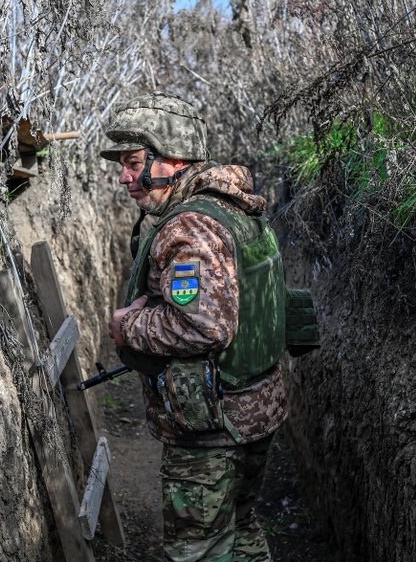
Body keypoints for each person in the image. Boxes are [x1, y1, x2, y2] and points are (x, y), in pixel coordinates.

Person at [101, 91, 288, 562]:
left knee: (198, 551)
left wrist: (130, 326)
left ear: (173, 158)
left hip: (213, 432)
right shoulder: (236, 208)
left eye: (133, 162)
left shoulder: (190, 228)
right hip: (254, 412)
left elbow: (205, 326)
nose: (125, 177)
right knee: (239, 532)